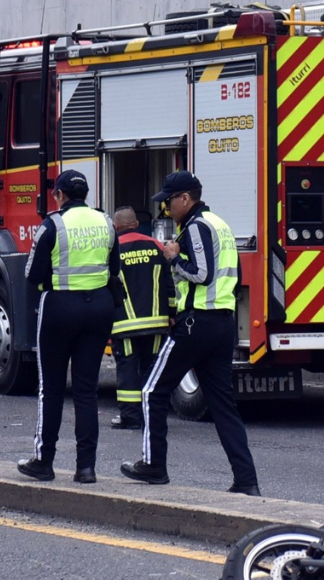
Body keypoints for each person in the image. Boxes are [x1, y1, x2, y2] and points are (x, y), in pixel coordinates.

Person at [120, 170, 260, 496]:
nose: (167, 208)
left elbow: (200, 272)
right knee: (223, 405)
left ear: (186, 198)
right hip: (223, 323)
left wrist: (172, 257)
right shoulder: (220, 225)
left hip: (197, 322)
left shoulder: (195, 227)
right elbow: (232, 276)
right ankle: (246, 480)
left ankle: (154, 466)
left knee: (152, 390)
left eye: (170, 202)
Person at [18, 170, 122, 484]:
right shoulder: (106, 222)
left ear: (61, 195)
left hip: (60, 308)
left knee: (50, 389)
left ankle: (43, 461)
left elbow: (32, 274)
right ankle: (86, 468)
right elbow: (113, 268)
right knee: (86, 392)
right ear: (85, 195)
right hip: (99, 308)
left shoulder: (52, 224)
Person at [110, 205, 173, 430]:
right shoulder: (156, 246)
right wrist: (172, 314)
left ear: (115, 227)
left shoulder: (113, 250)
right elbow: (169, 283)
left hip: (124, 324)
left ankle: (131, 418)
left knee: (127, 369)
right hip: (157, 323)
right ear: (136, 224)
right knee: (151, 369)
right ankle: (152, 416)